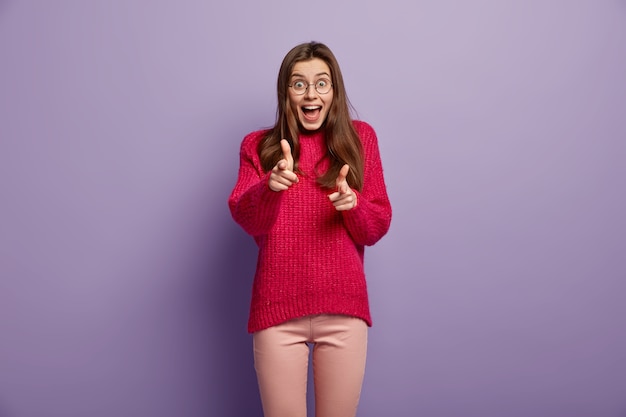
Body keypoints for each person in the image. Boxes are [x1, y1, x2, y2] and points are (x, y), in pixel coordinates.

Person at [228, 41, 392, 417]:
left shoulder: (359, 138)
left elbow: (376, 225)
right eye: (299, 84)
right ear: (285, 91)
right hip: (277, 312)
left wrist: (354, 206)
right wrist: (269, 189)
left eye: (322, 83)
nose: (310, 93)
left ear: (334, 92)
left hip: (343, 309)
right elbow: (246, 218)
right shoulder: (259, 146)